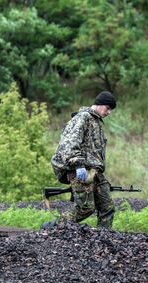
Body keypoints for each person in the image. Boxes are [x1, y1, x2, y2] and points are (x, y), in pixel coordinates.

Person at [43, 91, 117, 229]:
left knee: (107, 208)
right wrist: (78, 164)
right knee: (85, 208)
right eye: (108, 108)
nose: (109, 112)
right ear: (100, 104)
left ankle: (103, 239)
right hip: (80, 169)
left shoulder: (96, 122)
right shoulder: (83, 118)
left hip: (94, 171)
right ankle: (52, 227)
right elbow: (69, 143)